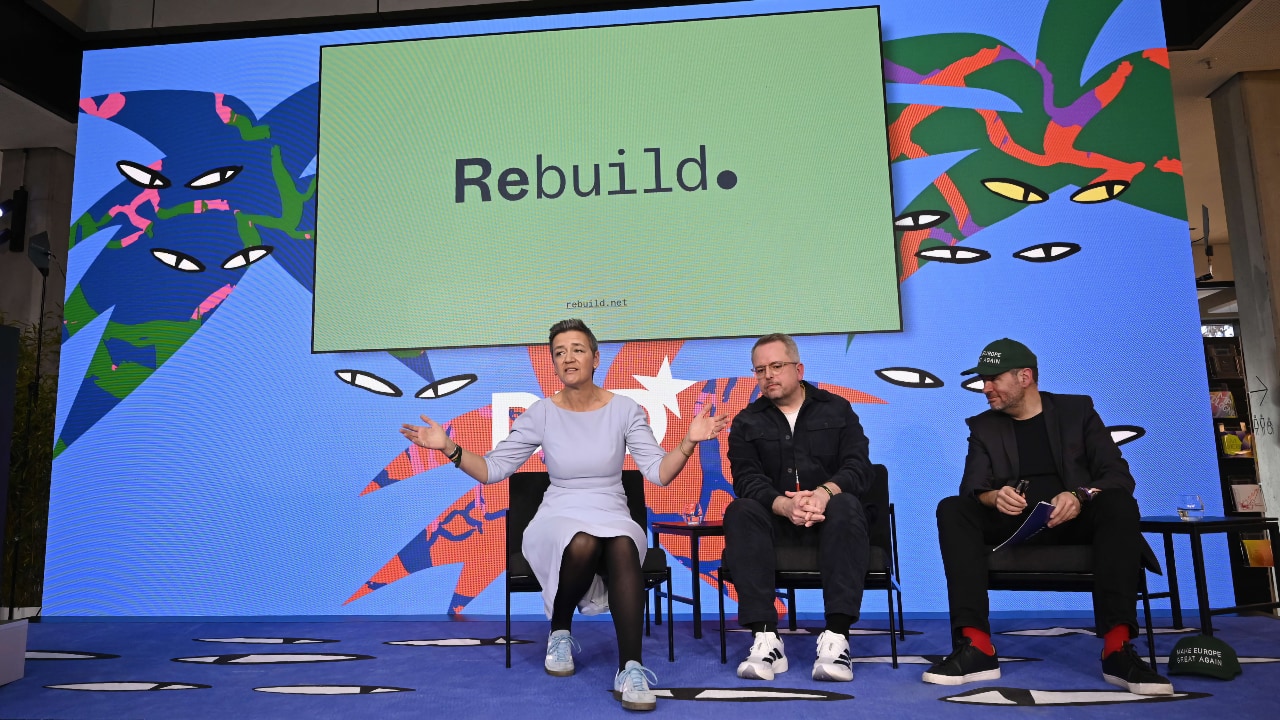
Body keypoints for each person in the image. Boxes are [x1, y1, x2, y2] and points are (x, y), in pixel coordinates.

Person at [401, 319, 728, 712]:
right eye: (559, 353)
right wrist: (449, 448)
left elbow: (658, 473)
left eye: (577, 349)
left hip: (611, 509)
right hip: (559, 513)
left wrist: (689, 440)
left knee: (624, 543)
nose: (568, 358)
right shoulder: (541, 413)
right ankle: (559, 630)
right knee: (582, 540)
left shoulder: (625, 409)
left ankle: (630, 669)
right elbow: (492, 469)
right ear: (554, 363)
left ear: (595, 358)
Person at [922, 338, 1172, 695]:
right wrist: (995, 496)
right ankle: (977, 647)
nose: (985, 388)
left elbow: (1118, 477)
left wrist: (1079, 495)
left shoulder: (1077, 412)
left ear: (1024, 377)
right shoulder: (983, 426)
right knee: (952, 508)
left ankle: (1117, 649)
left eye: (993, 379)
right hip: (1015, 526)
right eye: (983, 380)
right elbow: (972, 490)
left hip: (1075, 522)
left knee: (1118, 503)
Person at [722, 333, 874, 683]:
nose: (768, 375)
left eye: (776, 366)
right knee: (741, 509)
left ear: (799, 369)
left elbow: (858, 466)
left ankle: (837, 639)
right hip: (775, 526)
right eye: (760, 370)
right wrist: (783, 504)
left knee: (847, 504)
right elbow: (746, 478)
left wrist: (823, 493)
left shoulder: (837, 409)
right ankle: (766, 640)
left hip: (831, 521)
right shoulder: (747, 421)